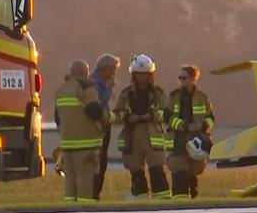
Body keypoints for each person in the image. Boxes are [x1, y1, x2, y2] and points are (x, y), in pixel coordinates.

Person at [113, 54, 170, 199]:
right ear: (134, 75)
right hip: (132, 136)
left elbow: (167, 113)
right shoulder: (126, 94)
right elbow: (117, 113)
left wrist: (152, 116)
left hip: (153, 135)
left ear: (150, 74)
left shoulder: (159, 93)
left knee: (157, 170)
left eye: (144, 74)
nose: (141, 77)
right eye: (138, 74)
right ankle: (140, 198)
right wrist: (127, 117)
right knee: (136, 171)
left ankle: (162, 199)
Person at [54, 60, 107, 202]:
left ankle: (70, 211)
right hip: (86, 145)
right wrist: (108, 117)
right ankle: (86, 212)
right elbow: (95, 111)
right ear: (85, 72)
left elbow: (57, 118)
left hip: (67, 145)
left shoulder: (61, 90)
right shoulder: (86, 88)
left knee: (70, 180)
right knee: (85, 179)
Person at [164, 65, 215, 199]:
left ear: (193, 79)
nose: (181, 80)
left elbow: (210, 117)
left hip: (196, 141)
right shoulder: (173, 96)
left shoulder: (202, 97)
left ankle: (192, 201)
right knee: (179, 171)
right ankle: (179, 203)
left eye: (184, 77)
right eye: (179, 77)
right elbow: (167, 117)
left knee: (193, 173)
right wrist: (185, 126)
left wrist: (203, 126)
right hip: (177, 140)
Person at [90, 53, 121, 198]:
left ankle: (97, 193)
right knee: (97, 162)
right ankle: (93, 193)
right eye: (113, 69)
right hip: (96, 128)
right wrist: (108, 89)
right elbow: (99, 104)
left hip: (105, 126)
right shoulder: (94, 83)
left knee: (103, 162)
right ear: (105, 68)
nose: (114, 73)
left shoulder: (101, 82)